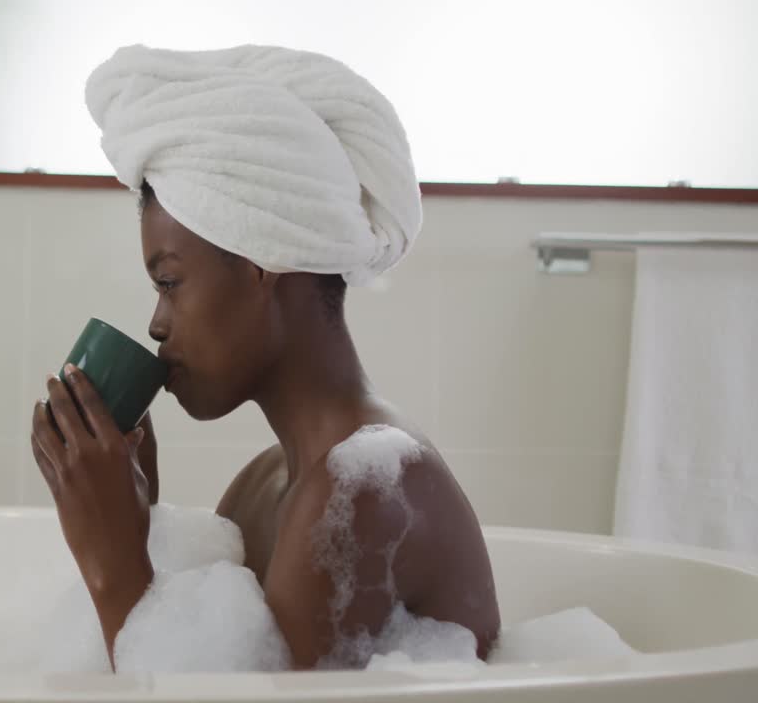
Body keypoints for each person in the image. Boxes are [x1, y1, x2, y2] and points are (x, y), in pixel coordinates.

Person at [30, 44, 499, 671]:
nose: (156, 323)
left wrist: (111, 567)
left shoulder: (364, 488)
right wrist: (141, 525)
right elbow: (205, 673)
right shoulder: (265, 483)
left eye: (169, 282)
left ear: (260, 264)